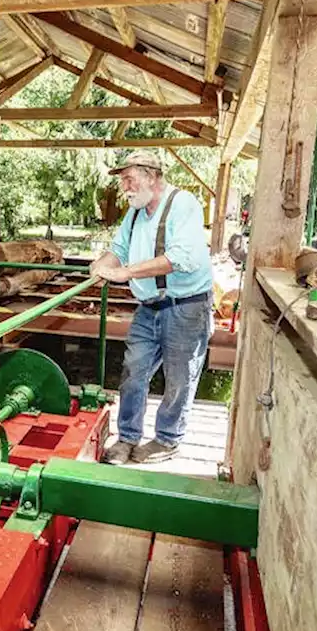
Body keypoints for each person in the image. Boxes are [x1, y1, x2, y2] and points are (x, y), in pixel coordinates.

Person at [90, 150, 214, 464]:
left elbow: (180, 258)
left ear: (152, 176)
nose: (125, 188)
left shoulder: (182, 205)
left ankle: (167, 439)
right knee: (134, 371)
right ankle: (128, 438)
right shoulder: (135, 213)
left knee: (179, 377)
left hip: (185, 307)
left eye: (130, 179)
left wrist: (125, 273)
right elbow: (117, 250)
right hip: (149, 307)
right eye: (123, 182)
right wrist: (100, 266)